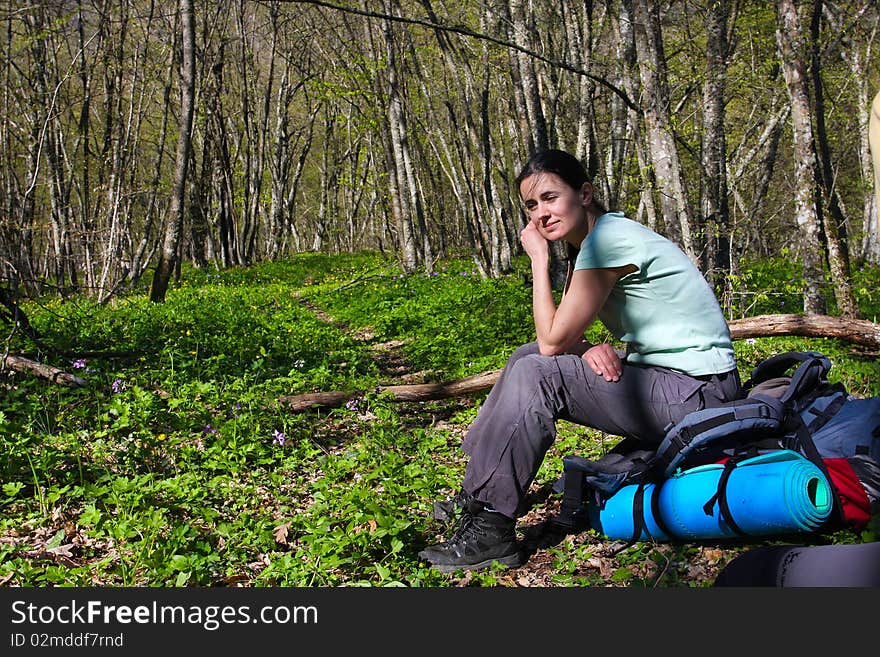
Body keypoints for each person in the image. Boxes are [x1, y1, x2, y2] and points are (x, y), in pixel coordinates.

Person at [418, 148, 743, 573]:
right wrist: (588, 347)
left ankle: (492, 528)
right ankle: (476, 494)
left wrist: (538, 261)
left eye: (551, 197)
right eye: (531, 206)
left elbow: (553, 342)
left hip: (700, 396)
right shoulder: (597, 241)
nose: (541, 214)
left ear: (585, 193)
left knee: (539, 370)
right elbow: (561, 335)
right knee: (525, 356)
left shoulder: (608, 241)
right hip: (675, 383)